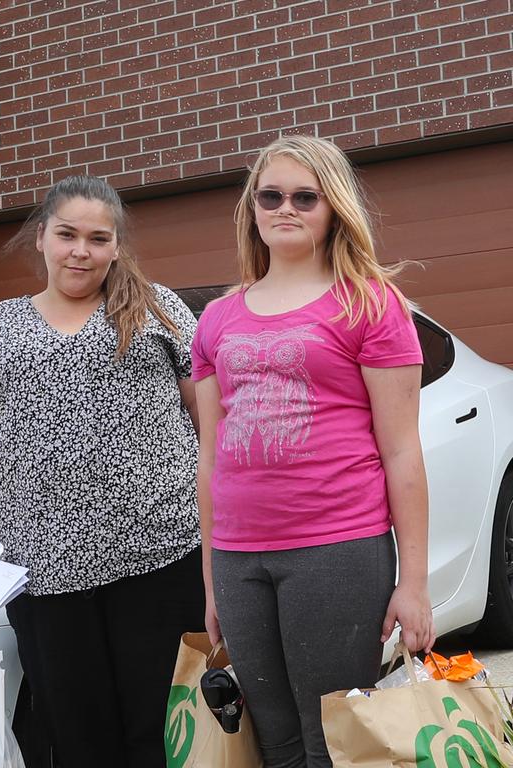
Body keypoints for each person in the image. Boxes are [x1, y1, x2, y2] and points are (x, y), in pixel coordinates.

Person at [0, 174, 204, 768]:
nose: (81, 250)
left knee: (160, 738)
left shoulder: (158, 310)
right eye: (68, 234)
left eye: (98, 239)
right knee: (77, 740)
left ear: (117, 247)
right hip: (48, 578)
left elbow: (214, 424)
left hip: (163, 562)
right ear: (42, 238)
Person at [191, 135, 436, 768]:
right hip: (242, 559)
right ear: (252, 208)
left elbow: (403, 453)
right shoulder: (216, 319)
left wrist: (412, 583)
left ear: (333, 209)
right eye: (271, 196)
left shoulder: (370, 304)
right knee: (272, 744)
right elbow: (211, 457)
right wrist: (214, 580)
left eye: (306, 197)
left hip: (338, 549)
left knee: (334, 743)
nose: (287, 208)